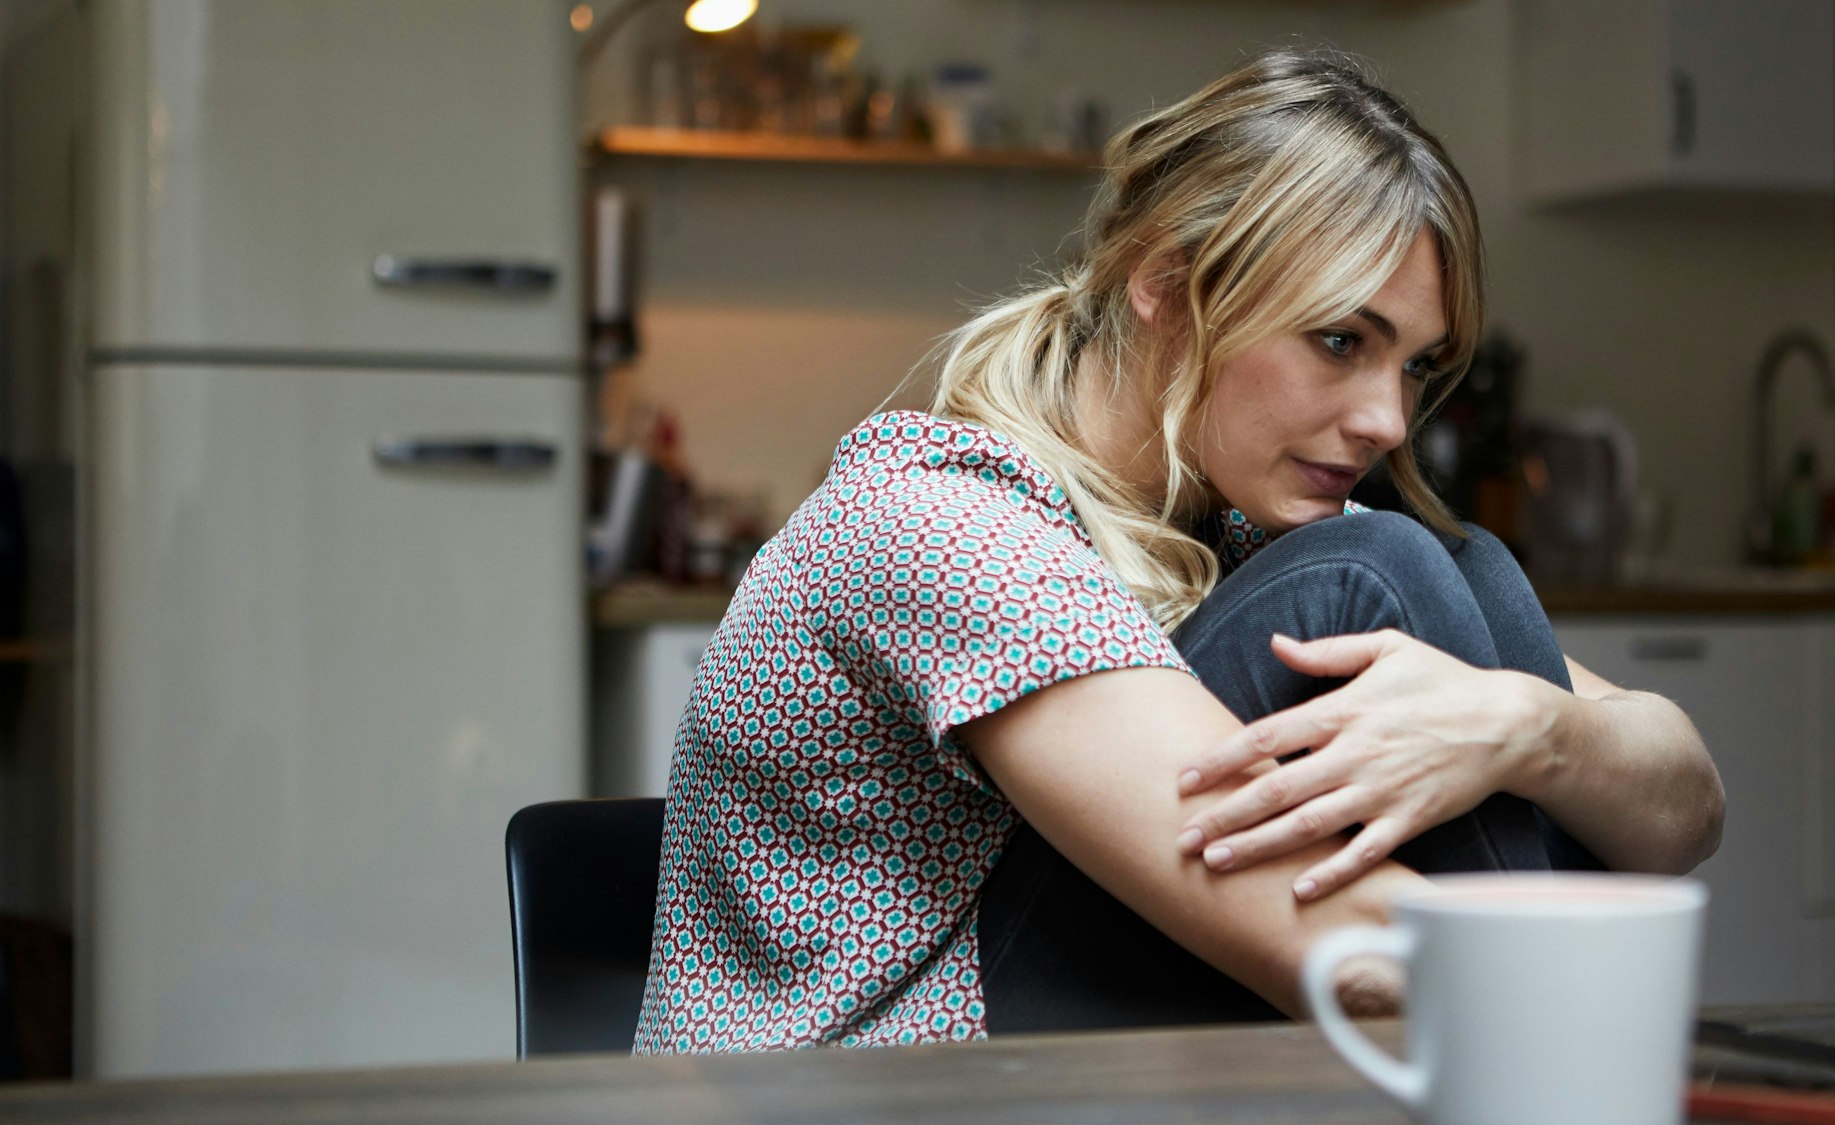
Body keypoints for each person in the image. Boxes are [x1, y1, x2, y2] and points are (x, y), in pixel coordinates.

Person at [632, 47, 1724, 1055]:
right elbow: (1349, 961)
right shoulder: (941, 527)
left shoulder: (1244, 516)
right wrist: (1595, 989)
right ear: (1163, 282)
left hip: (1078, 1070)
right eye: (1339, 342)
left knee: (1462, 564)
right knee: (1379, 571)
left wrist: (1529, 729)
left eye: (1412, 365)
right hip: (874, 1090)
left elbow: (1686, 808)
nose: (1388, 420)